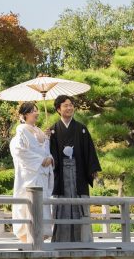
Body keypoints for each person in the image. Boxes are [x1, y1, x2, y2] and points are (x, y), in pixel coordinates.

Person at [48, 95, 100, 243]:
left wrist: (92, 168)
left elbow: (89, 151)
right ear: (58, 109)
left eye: (71, 105)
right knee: (62, 205)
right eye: (65, 105)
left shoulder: (81, 129)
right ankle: (61, 239)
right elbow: (48, 155)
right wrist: (46, 138)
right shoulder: (52, 131)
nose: (69, 108)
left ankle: (83, 239)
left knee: (80, 205)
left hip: (79, 174)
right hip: (61, 174)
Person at [9, 101, 54, 243]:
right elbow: (20, 152)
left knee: (42, 203)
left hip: (42, 173)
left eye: (37, 110)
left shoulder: (39, 130)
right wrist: (40, 160)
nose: (37, 113)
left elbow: (46, 150)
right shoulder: (22, 130)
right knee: (29, 203)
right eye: (34, 110)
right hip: (30, 174)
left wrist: (50, 158)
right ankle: (28, 235)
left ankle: (41, 234)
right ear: (26, 114)